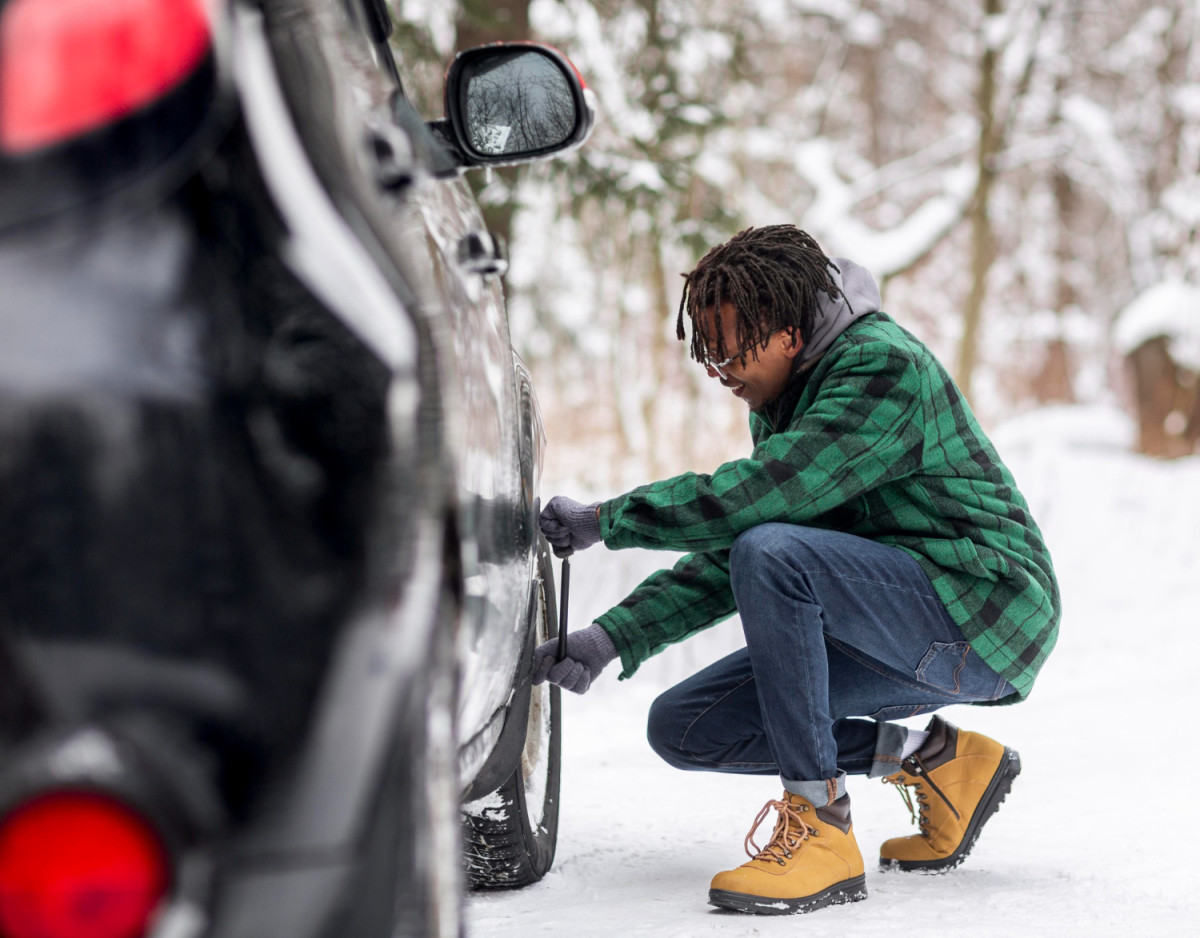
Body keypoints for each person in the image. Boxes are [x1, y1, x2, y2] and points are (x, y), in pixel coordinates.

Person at [534, 225, 1060, 916]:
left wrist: (609, 520)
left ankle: (821, 827)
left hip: (984, 611)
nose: (718, 370)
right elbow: (741, 542)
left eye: (728, 349)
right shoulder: (791, 401)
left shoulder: (881, 370)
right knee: (688, 725)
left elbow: (761, 509)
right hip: (900, 623)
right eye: (707, 353)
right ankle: (938, 761)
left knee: (775, 552)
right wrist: (612, 639)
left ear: (787, 333)